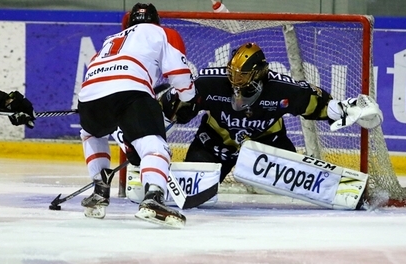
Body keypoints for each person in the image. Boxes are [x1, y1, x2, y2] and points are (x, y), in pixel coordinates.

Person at [162, 42, 382, 192]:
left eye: (243, 75)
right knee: (194, 189)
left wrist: (347, 109)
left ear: (259, 72)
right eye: (233, 73)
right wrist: (171, 112)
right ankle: (156, 180)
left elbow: (322, 106)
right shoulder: (210, 82)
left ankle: (330, 185)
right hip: (216, 142)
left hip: (265, 144)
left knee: (297, 178)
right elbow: (177, 101)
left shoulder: (282, 89)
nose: (236, 80)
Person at [77, 3, 196, 228]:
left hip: (89, 96)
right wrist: (189, 98)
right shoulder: (163, 33)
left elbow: (95, 73)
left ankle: (99, 190)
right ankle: (153, 198)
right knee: (153, 146)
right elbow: (179, 76)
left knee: (91, 133)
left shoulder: (109, 40)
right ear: (155, 20)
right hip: (131, 91)